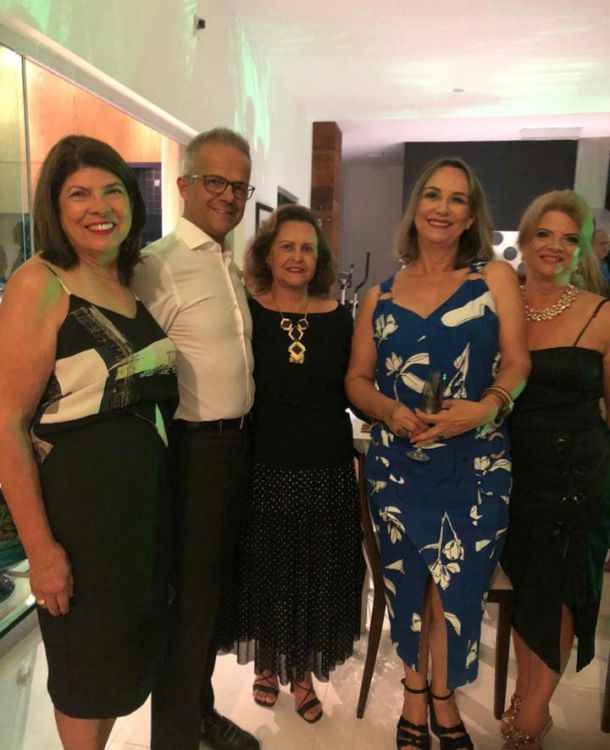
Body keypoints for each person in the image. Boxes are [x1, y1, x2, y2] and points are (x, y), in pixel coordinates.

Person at [0, 135, 178, 750]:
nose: (99, 207)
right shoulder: (41, 283)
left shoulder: (126, 285)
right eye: (79, 193)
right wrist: (41, 550)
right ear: (55, 205)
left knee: (117, 668)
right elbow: (6, 421)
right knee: (84, 677)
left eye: (112, 191)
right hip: (80, 521)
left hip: (137, 519)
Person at [345, 157, 530, 750]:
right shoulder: (379, 295)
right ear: (415, 208)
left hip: (475, 464)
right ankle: (414, 693)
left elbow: (518, 363)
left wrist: (486, 407)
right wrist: (387, 410)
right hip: (398, 466)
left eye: (457, 199)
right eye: (432, 195)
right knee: (407, 586)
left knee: (458, 589)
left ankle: (444, 698)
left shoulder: (493, 279)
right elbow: (356, 380)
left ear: (471, 216)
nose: (442, 208)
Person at [132, 128, 258, 750]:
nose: (229, 195)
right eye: (216, 181)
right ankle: (175, 738)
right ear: (183, 185)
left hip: (236, 448)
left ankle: (200, 714)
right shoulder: (156, 266)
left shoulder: (226, 263)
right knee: (188, 606)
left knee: (213, 597)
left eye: (239, 186)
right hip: (193, 452)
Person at [223, 204, 363, 723]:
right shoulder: (247, 313)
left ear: (319, 258)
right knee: (266, 570)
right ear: (266, 254)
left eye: (307, 248)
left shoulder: (340, 317)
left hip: (327, 467)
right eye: (287, 246)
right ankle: (266, 665)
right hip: (264, 465)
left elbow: (355, 384)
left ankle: (301, 674)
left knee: (315, 574)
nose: (297, 257)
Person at [500, 191, 610, 749]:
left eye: (571, 238)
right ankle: (525, 696)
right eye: (545, 233)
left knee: (559, 592)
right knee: (527, 590)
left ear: (584, 250)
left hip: (576, 480)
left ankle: (532, 717)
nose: (556, 246)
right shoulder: (498, 305)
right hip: (509, 475)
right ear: (524, 239)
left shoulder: (601, 313)